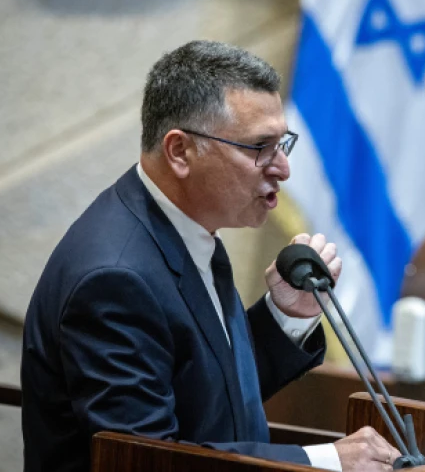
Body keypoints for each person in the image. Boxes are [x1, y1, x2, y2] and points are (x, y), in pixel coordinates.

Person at [21, 40, 401, 472]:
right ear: (180, 152)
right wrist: (327, 461)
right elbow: (145, 460)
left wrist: (286, 315)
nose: (282, 168)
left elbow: (203, 389)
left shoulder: (185, 230)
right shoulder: (114, 279)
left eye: (283, 143)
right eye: (260, 146)